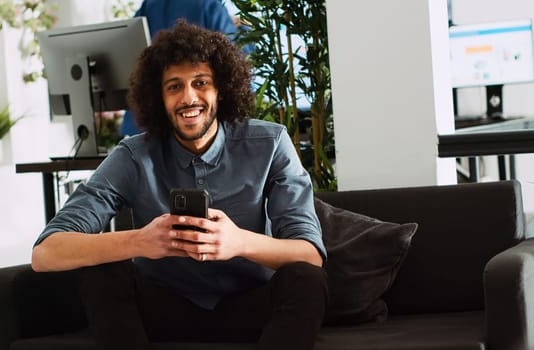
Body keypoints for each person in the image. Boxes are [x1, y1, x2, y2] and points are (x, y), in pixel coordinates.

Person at [31, 21, 328, 350]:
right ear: (159, 98)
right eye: (174, 86)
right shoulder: (133, 155)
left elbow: (310, 255)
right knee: (101, 273)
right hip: (164, 308)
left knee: (307, 279)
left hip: (250, 306)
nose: (188, 97)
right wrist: (141, 241)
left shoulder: (270, 143)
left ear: (221, 89)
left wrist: (238, 242)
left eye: (200, 83)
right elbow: (46, 253)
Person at [119, 0, 245, 137]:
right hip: (197, 125)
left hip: (148, 122)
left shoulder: (150, 4)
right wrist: (244, 28)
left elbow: (130, 48)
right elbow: (237, 61)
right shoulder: (210, 5)